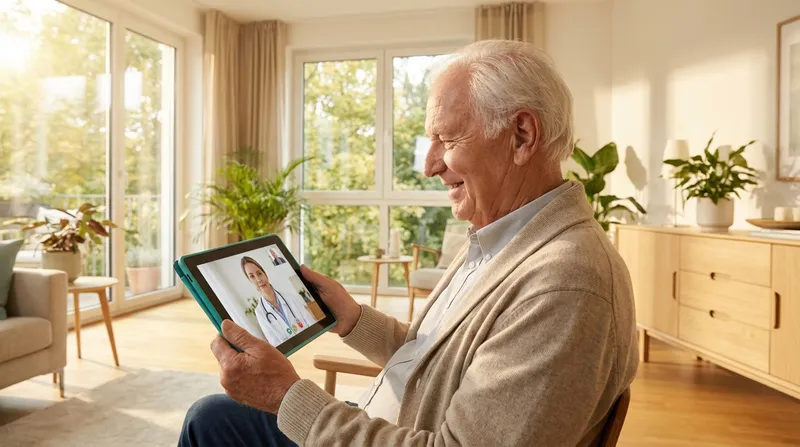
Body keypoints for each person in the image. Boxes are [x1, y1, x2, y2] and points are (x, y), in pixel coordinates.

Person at [180, 39, 638, 446]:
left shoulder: (565, 286)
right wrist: (354, 320)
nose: (429, 164)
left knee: (209, 422)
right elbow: (440, 358)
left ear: (521, 136)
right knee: (213, 416)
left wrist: (286, 397)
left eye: (446, 137)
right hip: (386, 420)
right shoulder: (504, 237)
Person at [241, 256, 315, 346]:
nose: (258, 279)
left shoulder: (290, 297)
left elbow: (312, 323)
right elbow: (274, 343)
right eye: (252, 276)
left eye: (259, 273)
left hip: (311, 343)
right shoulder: (259, 312)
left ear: (266, 275)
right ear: (250, 281)